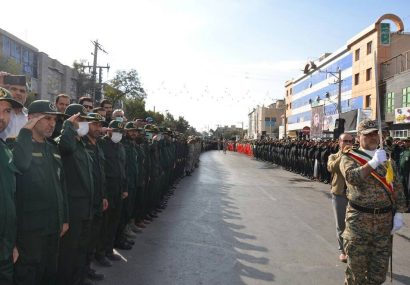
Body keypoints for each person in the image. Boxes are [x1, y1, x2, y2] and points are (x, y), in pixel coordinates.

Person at [340, 119, 407, 285]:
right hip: (359, 221)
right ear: (359, 137)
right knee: (356, 273)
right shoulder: (350, 157)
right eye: (368, 135)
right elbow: (352, 177)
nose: (373, 138)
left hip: (383, 223)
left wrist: (398, 213)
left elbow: (397, 187)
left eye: (375, 134)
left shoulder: (387, 159)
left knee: (378, 273)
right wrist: (373, 162)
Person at [12, 100, 69, 285]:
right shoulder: (18, 145)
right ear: (31, 119)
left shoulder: (52, 147)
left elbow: (61, 185)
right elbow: (20, 164)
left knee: (48, 274)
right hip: (30, 232)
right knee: (28, 276)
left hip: (53, 228)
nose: (52, 124)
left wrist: (65, 218)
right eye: (47, 119)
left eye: (54, 119)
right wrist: (25, 131)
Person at [56, 104, 95, 285]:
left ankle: (78, 279)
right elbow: (64, 147)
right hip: (72, 208)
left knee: (81, 248)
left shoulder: (81, 144)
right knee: (69, 253)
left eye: (86, 120)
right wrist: (69, 127)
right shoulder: (65, 141)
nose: (84, 124)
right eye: (80, 120)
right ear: (70, 121)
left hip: (85, 206)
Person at [0, 87, 22, 285]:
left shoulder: (6, 150)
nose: (2, 116)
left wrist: (12, 243)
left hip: (5, 252)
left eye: (7, 111)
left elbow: (10, 201)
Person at [327, 133, 353, 263]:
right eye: (345, 141)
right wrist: (343, 154)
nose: (348, 143)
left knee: (354, 224)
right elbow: (331, 167)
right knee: (341, 225)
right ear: (339, 142)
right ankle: (343, 250)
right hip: (339, 194)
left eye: (350, 141)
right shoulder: (333, 156)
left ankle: (353, 250)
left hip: (354, 195)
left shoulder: (356, 156)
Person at [0, 74, 28, 139]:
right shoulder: (1, 113)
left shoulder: (32, 117)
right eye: (13, 89)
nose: (18, 93)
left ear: (27, 95)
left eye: (22, 91)